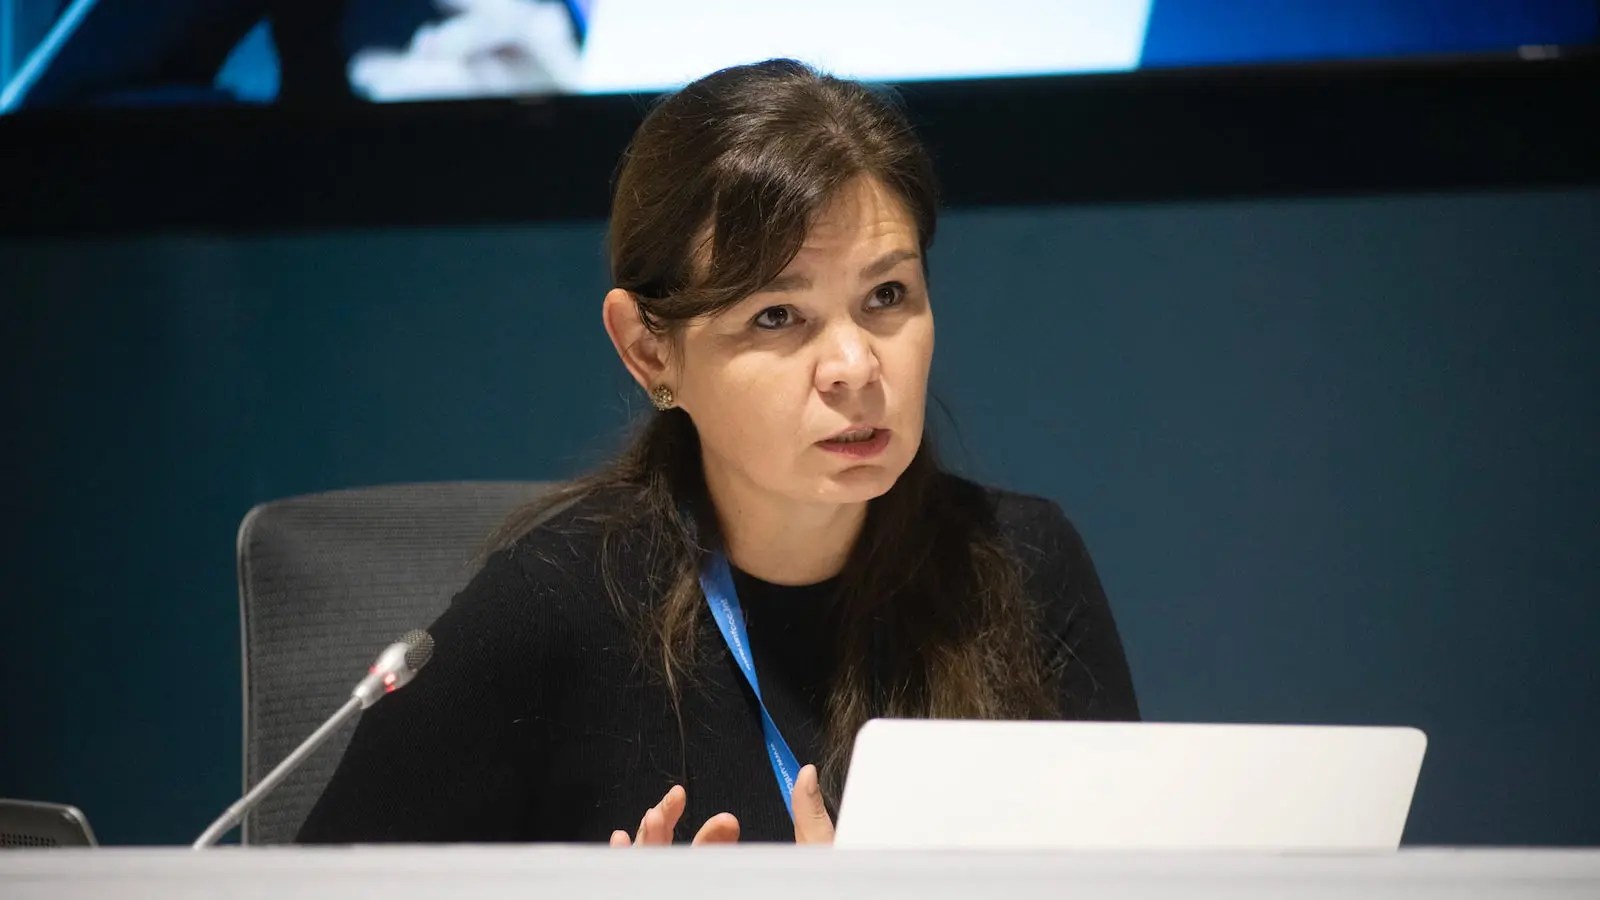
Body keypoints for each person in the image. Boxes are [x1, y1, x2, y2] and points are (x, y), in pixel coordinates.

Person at [296, 57, 1138, 847]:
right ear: (650, 350)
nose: (854, 366)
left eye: (887, 296)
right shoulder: (549, 611)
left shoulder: (1021, 565)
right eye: (777, 315)